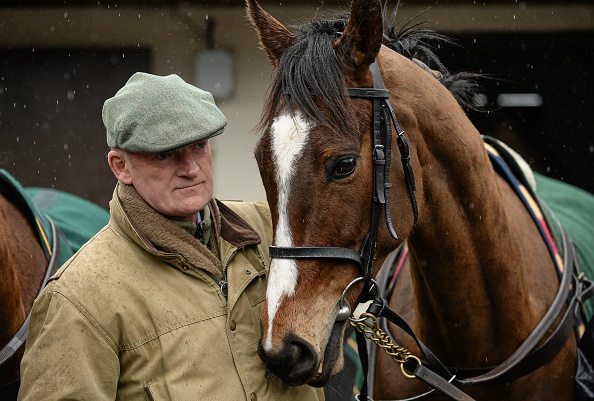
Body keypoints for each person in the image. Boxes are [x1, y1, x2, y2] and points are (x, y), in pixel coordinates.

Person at [17, 72, 324, 401]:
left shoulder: (271, 229)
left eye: (199, 146)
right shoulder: (79, 297)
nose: (191, 168)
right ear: (121, 166)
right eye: (164, 154)